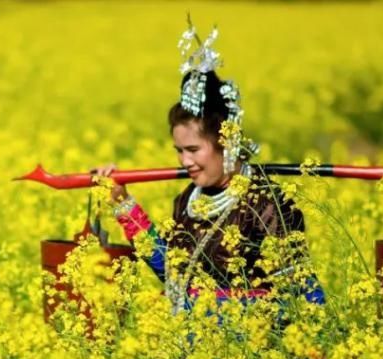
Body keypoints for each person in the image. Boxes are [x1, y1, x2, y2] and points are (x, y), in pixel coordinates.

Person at [96, 22, 324, 312]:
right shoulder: (187, 200)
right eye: (178, 151)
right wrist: (123, 204)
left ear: (226, 143)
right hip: (189, 348)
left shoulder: (268, 204)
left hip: (254, 348)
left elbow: (303, 290)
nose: (184, 161)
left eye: (193, 150)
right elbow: (175, 276)